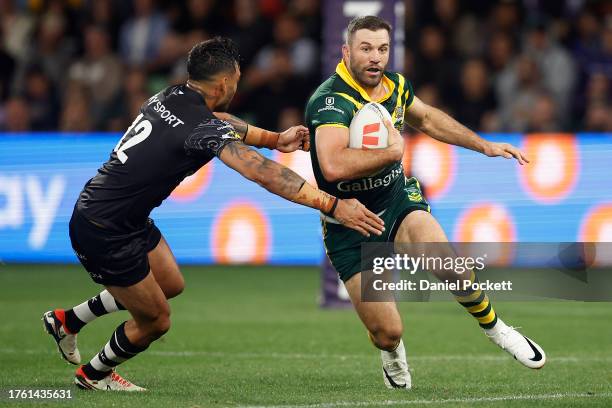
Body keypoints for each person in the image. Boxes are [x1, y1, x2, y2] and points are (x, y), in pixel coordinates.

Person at [42, 37, 385, 391]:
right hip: (105, 229)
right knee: (156, 320)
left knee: (170, 283)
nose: (236, 88)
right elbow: (262, 173)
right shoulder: (199, 126)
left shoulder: (172, 96)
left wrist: (273, 138)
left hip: (121, 216)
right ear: (223, 83)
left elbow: (219, 120)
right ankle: (94, 375)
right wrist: (332, 205)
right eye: (235, 81)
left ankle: (68, 321)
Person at [304, 16, 545, 390]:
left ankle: (497, 328)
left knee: (451, 266)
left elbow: (428, 119)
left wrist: (485, 145)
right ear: (346, 51)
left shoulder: (395, 86)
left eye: (382, 49)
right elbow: (333, 166)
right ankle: (390, 352)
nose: (375, 58)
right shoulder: (331, 101)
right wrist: (392, 151)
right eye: (366, 48)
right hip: (349, 223)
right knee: (388, 331)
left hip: (396, 201)